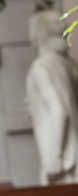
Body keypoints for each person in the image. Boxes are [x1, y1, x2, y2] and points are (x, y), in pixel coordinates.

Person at [26, 10, 78, 185]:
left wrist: (53, 156)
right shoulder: (69, 65)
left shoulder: (42, 67)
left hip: (64, 164)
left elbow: (59, 110)